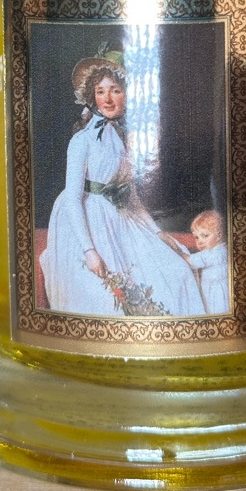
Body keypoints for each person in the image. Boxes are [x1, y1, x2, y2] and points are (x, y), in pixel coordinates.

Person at [39, 53, 205, 317]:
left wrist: (157, 232)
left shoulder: (118, 138)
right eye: (100, 91)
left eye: (115, 90)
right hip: (84, 221)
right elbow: (72, 199)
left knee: (177, 272)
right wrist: (90, 251)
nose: (107, 99)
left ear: (127, 95)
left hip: (120, 218)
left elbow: (130, 195)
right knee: (109, 300)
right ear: (92, 96)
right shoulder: (82, 141)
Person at [187, 210, 231, 314]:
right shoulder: (216, 250)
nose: (200, 241)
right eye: (196, 237)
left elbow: (192, 261)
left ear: (219, 235)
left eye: (205, 236)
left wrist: (178, 251)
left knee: (217, 312)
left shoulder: (218, 252)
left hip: (217, 292)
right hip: (209, 289)